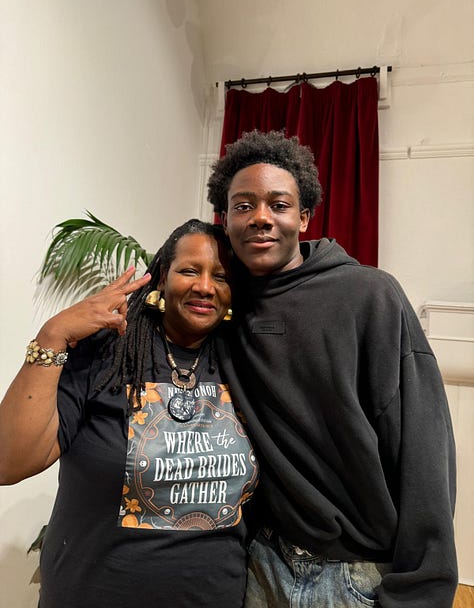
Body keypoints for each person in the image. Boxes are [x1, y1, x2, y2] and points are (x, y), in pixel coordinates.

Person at [207, 130, 457, 607]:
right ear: (225, 219)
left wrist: (422, 589)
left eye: (279, 205)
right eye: (243, 206)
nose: (260, 217)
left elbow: (425, 449)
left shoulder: (370, 296)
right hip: (259, 563)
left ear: (303, 217)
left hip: (352, 577)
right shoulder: (220, 305)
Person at [0, 219, 258, 608]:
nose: (205, 286)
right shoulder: (107, 352)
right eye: (190, 271)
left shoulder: (245, 363)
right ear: (162, 278)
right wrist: (52, 336)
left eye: (220, 276)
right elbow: (9, 463)